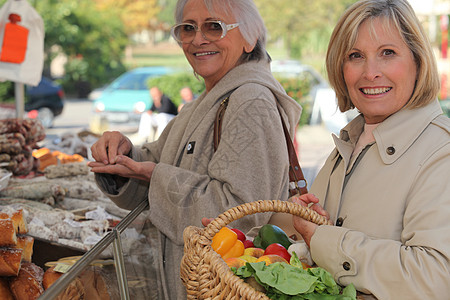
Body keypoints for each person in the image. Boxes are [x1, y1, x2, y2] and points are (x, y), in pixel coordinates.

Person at [88, 0, 302, 298]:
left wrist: (154, 175)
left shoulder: (251, 102)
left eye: (214, 27)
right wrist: (124, 155)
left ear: (250, 38)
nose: (198, 39)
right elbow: (159, 162)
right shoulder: (202, 104)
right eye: (188, 28)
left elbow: (238, 215)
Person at [275, 0, 450, 299]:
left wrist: (323, 239)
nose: (370, 73)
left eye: (388, 53)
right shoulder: (349, 143)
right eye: (355, 56)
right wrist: (238, 232)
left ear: (418, 60)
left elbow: (435, 277)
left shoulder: (441, 153)